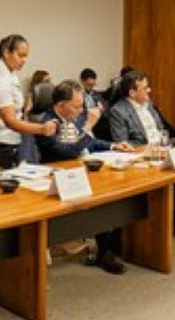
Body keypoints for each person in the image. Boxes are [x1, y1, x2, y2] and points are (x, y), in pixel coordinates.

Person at [35, 80, 134, 274]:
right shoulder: (48, 123)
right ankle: (105, 252)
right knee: (103, 197)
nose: (81, 111)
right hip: (60, 179)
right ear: (60, 106)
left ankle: (115, 246)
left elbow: (89, 141)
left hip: (84, 170)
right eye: (77, 106)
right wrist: (89, 125)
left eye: (82, 106)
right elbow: (68, 152)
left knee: (120, 187)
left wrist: (114, 145)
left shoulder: (75, 117)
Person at [109, 71, 175, 235]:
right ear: (132, 92)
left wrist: (166, 144)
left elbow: (161, 129)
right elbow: (123, 143)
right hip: (143, 158)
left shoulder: (149, 104)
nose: (149, 91)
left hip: (162, 149)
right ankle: (167, 220)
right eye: (145, 88)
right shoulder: (118, 111)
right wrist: (151, 149)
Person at [0, 34, 57, 168]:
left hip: (12, 140)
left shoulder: (10, 73)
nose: (24, 60)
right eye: (20, 55)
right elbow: (10, 121)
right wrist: (41, 129)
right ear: (6, 52)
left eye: (26, 56)